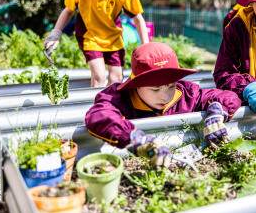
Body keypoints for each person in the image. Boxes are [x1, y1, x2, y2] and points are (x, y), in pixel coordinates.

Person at [85, 42, 241, 167]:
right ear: (136, 84)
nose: (165, 96)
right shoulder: (119, 98)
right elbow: (99, 115)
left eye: (171, 86)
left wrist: (216, 110)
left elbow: (226, 96)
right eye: (155, 89)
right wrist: (135, 139)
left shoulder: (187, 93)